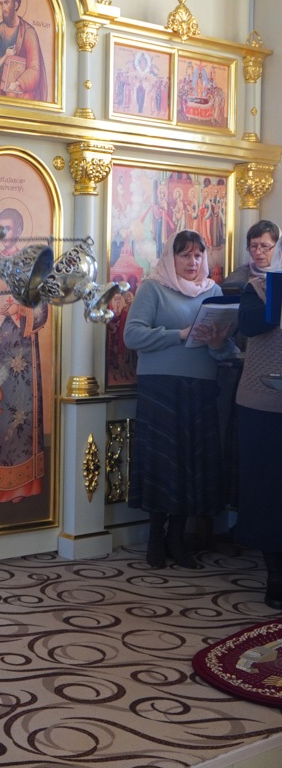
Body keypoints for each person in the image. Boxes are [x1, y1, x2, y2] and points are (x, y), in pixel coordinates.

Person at [124, 230, 236, 569]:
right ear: (171, 258)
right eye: (185, 255)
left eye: (198, 255)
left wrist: (217, 343)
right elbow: (132, 335)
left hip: (201, 388)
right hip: (161, 387)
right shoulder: (153, 288)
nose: (193, 261)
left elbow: (226, 351)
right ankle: (155, 538)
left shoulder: (214, 292)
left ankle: (177, 537)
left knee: (192, 465)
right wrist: (181, 334)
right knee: (163, 462)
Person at [0, 207, 47, 504]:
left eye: (9, 227)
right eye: (0, 228)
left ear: (18, 230)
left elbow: (41, 308)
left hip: (20, 353)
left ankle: (21, 486)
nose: (4, 234)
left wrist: (18, 308)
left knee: (19, 414)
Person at [234, 240, 282, 608]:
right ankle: (275, 578)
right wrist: (278, 285)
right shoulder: (258, 288)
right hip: (263, 406)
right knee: (269, 492)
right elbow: (254, 325)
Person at [0, 0, 47, 100]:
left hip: (21, 95)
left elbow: (35, 70)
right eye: (1, 3)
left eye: (6, 3)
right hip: (0, 94)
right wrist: (4, 57)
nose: (3, 8)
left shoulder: (28, 32)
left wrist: (17, 83)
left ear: (15, 5)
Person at [222, 220, 281, 293]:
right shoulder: (239, 275)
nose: (258, 252)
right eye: (253, 246)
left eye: (265, 246)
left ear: (279, 248)